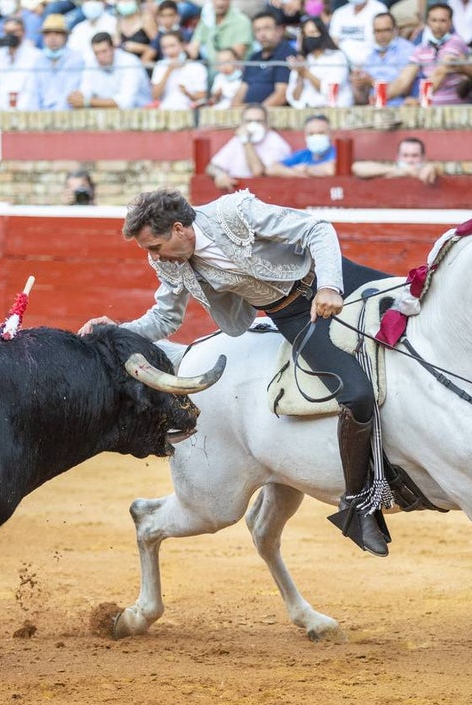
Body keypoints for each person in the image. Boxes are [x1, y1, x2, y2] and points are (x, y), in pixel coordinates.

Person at [77, 188, 392, 556]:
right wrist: (117, 331)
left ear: (179, 229)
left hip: (337, 279)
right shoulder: (172, 262)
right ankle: (357, 504)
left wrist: (329, 286)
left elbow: (317, 228)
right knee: (355, 393)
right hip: (292, 315)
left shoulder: (234, 213)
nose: (154, 256)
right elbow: (166, 316)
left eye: (154, 246)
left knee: (418, 312)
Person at [386, 3, 472, 106]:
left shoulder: (456, 42)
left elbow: (440, 73)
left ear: (451, 23)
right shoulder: (421, 48)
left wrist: (419, 101)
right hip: (430, 108)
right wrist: (382, 96)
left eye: (442, 20)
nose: (438, 25)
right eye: (434, 20)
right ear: (427, 22)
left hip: (454, 109)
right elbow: (403, 80)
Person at [205, 103, 292, 191]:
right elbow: (212, 166)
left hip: (267, 196)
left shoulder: (277, 143)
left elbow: (258, 172)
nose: (253, 125)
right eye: (249, 121)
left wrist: (246, 141)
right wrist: (219, 174)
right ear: (242, 124)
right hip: (237, 194)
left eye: (258, 121)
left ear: (267, 124)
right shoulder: (238, 140)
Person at [0, 15, 43, 110]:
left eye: (14, 32)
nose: (10, 35)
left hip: (28, 114)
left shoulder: (36, 56)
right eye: (7, 32)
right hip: (0, 114)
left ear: (23, 32)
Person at [69, 31, 152, 109]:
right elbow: (85, 91)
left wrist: (87, 102)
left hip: (141, 115)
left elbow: (126, 102)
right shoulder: (92, 62)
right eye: (96, 53)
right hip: (108, 115)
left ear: (113, 48)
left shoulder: (130, 62)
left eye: (104, 51)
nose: (100, 57)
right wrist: (77, 97)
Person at [286, 16, 353, 108]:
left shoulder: (337, 57)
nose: (309, 38)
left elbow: (330, 89)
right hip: (306, 110)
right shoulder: (304, 60)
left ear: (322, 33)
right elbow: (294, 97)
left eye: (313, 33)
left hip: (335, 110)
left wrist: (305, 72)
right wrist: (299, 74)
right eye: (306, 35)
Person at [235, 10, 296, 107]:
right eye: (257, 30)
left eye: (266, 29)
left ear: (279, 30)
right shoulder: (253, 58)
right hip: (249, 114)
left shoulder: (287, 54)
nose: (262, 34)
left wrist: (257, 113)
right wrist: (237, 107)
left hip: (273, 116)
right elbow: (241, 92)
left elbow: (281, 95)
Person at [351, 11, 412, 106]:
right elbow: (362, 98)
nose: (382, 35)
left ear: (395, 30)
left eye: (386, 30)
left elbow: (405, 88)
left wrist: (371, 81)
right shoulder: (370, 54)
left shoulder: (407, 50)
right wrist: (359, 84)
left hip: (399, 107)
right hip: (373, 107)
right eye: (378, 31)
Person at [33, 13, 85, 110]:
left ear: (65, 37)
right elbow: (34, 93)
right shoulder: (38, 60)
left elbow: (71, 91)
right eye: (48, 34)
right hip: (40, 116)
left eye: (57, 33)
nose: (52, 38)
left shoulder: (75, 58)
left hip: (67, 115)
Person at [265, 113, 337, 177]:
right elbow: (271, 169)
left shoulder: (338, 153)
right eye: (311, 134)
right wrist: (296, 173)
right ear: (305, 136)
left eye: (321, 133)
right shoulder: (303, 155)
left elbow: (333, 169)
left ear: (330, 135)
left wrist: (306, 169)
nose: (316, 137)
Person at [150, 31, 207, 109]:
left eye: (172, 46)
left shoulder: (197, 67)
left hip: (189, 112)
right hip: (165, 111)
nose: (169, 51)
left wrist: (187, 93)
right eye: (164, 47)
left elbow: (202, 97)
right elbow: (155, 96)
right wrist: (168, 71)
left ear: (182, 45)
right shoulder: (160, 65)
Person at [352, 136, 441, 184]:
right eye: (405, 156)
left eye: (414, 156)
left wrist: (432, 167)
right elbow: (356, 168)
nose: (409, 160)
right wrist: (401, 171)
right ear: (397, 157)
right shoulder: (390, 170)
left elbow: (438, 169)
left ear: (423, 158)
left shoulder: (428, 170)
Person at [329, 0, 389, 69]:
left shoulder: (379, 9)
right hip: (343, 64)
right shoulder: (339, 13)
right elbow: (333, 41)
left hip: (371, 63)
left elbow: (383, 41)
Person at [187, 0, 253, 63]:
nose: (220, 3)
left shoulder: (242, 21)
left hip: (233, 70)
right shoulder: (207, 19)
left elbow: (238, 53)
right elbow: (194, 46)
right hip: (210, 68)